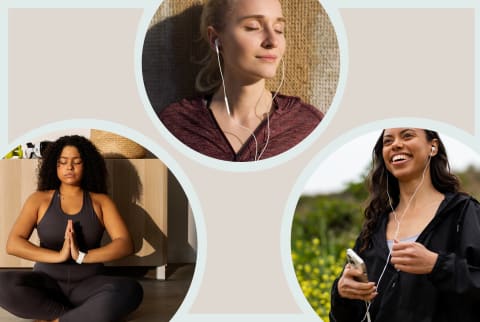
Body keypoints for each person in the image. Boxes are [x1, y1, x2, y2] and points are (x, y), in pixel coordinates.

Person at [329, 128, 480, 322]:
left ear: (432, 146)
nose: (396, 144)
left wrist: (437, 265)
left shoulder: (465, 213)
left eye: (407, 135)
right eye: (388, 141)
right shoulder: (374, 226)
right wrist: (342, 293)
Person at [0, 135, 143, 322]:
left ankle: (57, 318)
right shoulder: (39, 200)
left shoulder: (101, 202)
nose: (69, 167)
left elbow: (125, 244)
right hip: (47, 285)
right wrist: (58, 256)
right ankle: (81, 316)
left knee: (131, 290)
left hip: (89, 286)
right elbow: (14, 244)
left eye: (77, 162)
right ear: (54, 166)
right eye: (63, 162)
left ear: (87, 166)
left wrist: (82, 256)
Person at [159, 0, 324, 162]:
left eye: (279, 29)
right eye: (253, 27)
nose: (273, 41)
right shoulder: (176, 124)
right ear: (216, 39)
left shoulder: (309, 125)